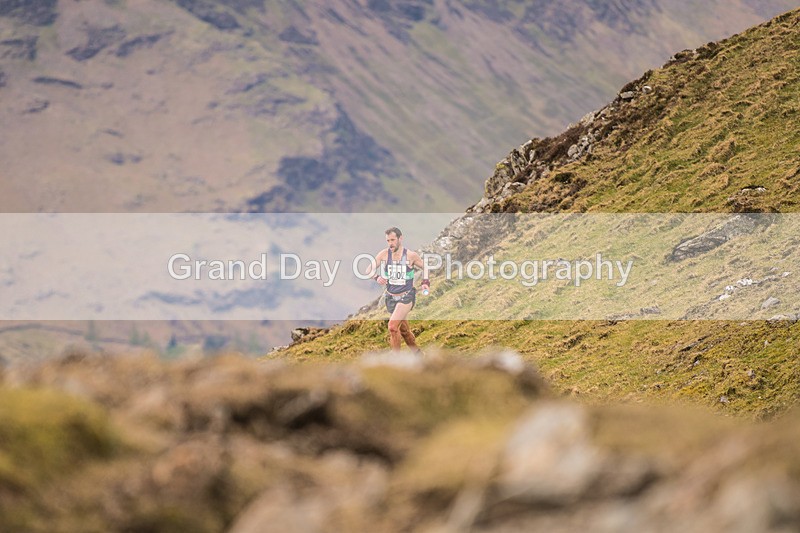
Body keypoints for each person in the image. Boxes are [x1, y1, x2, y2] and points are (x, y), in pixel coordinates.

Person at [368, 227, 429, 353]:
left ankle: (397, 361)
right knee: (404, 331)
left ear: (400, 238)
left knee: (392, 327)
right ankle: (418, 355)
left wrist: (425, 282)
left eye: (393, 240)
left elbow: (426, 267)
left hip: (406, 296)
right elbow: (368, 270)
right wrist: (376, 277)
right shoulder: (384, 254)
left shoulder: (411, 255)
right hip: (391, 298)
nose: (390, 243)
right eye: (388, 241)